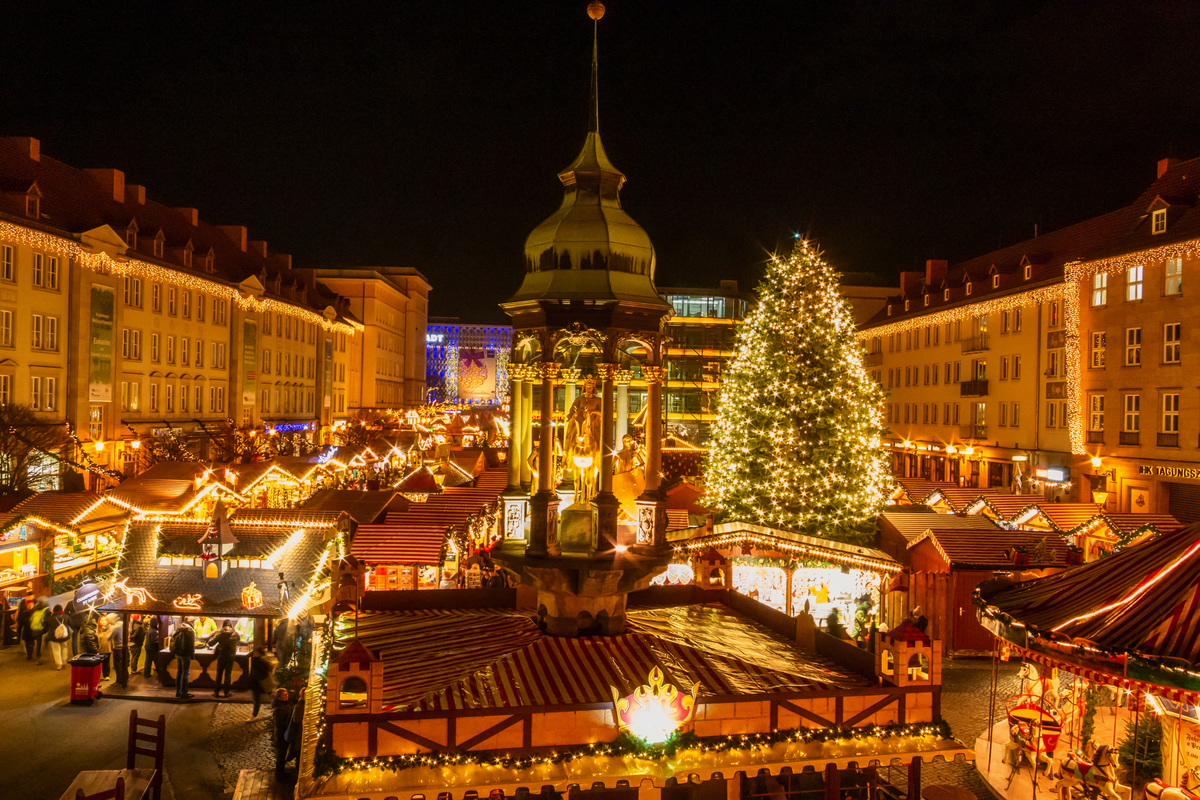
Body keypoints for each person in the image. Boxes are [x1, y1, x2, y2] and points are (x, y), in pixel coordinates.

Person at [208, 619, 240, 698]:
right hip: (231, 656)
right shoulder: (235, 634)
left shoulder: (221, 634)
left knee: (219, 674)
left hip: (221, 656)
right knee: (228, 674)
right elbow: (239, 640)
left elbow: (210, 643)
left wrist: (214, 636)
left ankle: (216, 692)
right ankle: (227, 692)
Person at [248, 646, 278, 718]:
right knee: (271, 696)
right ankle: (275, 711)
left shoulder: (259, 661)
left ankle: (254, 716)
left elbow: (258, 673)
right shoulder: (267, 659)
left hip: (259, 683)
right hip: (265, 682)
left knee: (257, 700)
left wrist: (253, 680)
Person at [172, 617, 196, 699]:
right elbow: (191, 645)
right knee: (185, 673)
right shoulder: (190, 631)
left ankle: (178, 692)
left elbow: (173, 637)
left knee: (179, 673)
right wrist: (192, 655)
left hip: (178, 653)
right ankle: (184, 692)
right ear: (191, 623)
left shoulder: (179, 628)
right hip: (186, 654)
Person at [272, 688, 294, 775]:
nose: (286, 696)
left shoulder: (285, 705)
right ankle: (280, 774)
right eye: (284, 695)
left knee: (282, 754)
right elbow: (281, 723)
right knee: (281, 755)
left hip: (283, 734)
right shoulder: (280, 708)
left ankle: (281, 772)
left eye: (287, 694)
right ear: (278, 697)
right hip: (282, 735)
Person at [44, 604, 71, 670]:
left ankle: (59, 664)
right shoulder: (66, 616)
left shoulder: (52, 617)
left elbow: (45, 620)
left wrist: (49, 612)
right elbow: (71, 624)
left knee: (56, 650)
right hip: (64, 636)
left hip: (54, 636)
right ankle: (64, 660)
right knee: (64, 647)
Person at [143, 616, 162, 680]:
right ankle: (160, 675)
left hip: (148, 647)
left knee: (148, 662)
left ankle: (146, 674)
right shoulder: (154, 631)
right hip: (153, 649)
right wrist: (159, 642)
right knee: (157, 662)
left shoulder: (150, 629)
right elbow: (154, 641)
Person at [97, 614, 114, 678]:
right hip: (99, 649)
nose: (104, 622)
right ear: (99, 621)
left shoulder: (110, 629)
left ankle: (106, 675)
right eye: (102, 620)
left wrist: (112, 647)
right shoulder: (97, 630)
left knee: (106, 663)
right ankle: (97, 676)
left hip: (108, 648)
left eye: (105, 620)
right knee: (98, 664)